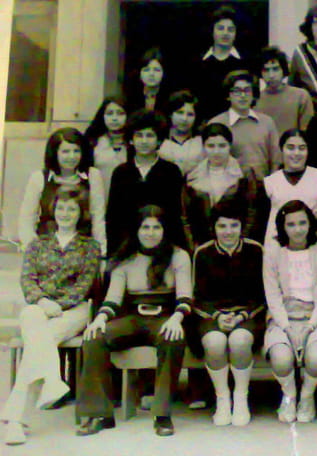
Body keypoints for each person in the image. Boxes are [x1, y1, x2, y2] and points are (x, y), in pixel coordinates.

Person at [76, 205, 191, 437]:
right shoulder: (125, 259)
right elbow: (113, 299)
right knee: (94, 337)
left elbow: (185, 297)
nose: (151, 233)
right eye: (145, 227)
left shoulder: (179, 256)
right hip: (134, 318)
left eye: (156, 227)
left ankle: (162, 415)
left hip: (165, 317)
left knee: (173, 339)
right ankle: (100, 414)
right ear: (137, 230)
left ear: (164, 230)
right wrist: (100, 319)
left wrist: (176, 319)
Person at [1, 189, 100, 446]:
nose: (65, 214)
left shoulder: (90, 246)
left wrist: (58, 306)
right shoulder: (37, 244)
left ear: (80, 214)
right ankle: (52, 383)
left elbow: (84, 286)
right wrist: (43, 302)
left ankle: (15, 419)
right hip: (40, 307)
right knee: (31, 317)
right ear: (53, 212)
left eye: (72, 209)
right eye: (61, 208)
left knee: (37, 340)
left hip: (75, 310)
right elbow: (27, 279)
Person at [191, 201, 265, 427]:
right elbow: (197, 297)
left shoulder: (255, 250)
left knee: (239, 341)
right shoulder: (203, 253)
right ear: (214, 228)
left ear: (242, 226)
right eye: (222, 226)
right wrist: (217, 316)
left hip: (248, 316)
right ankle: (222, 399)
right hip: (212, 316)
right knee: (215, 342)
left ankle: (241, 398)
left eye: (234, 225)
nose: (228, 231)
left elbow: (263, 295)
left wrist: (242, 315)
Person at [263, 200, 317, 423]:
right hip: (283, 316)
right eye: (291, 224)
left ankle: (307, 396)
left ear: (310, 224)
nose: (298, 229)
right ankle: (289, 395)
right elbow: (273, 295)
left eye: (302, 223)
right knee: (281, 358)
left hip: (314, 316)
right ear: (283, 227)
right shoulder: (274, 253)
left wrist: (311, 326)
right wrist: (286, 327)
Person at [107, 109, 186, 256]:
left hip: (163, 246)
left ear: (159, 140)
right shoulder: (121, 173)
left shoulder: (171, 171)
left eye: (150, 136)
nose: (144, 141)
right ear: (131, 140)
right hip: (127, 247)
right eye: (139, 135)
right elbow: (113, 217)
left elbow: (174, 216)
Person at [18, 127, 106, 256]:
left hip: (81, 248)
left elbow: (98, 216)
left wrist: (101, 250)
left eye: (76, 151)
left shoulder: (93, 175)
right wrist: (31, 248)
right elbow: (27, 217)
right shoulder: (39, 177)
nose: (72, 156)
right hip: (46, 248)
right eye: (65, 151)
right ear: (55, 153)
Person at [182, 123, 260, 251]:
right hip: (203, 245)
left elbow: (252, 212)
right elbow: (185, 217)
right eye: (211, 146)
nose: (216, 151)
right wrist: (193, 247)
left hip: (237, 244)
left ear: (230, 146)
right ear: (203, 147)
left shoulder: (244, 173)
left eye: (222, 146)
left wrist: (242, 244)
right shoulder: (192, 174)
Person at [208, 70, 282, 185]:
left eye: (247, 90)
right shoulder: (217, 123)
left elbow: (276, 159)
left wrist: (272, 185)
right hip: (228, 189)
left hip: (264, 187)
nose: (243, 96)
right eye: (237, 91)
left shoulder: (267, 122)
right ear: (228, 95)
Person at [262, 129, 317, 246]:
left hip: (315, 245)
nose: (296, 153)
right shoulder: (269, 182)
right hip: (277, 246)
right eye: (290, 148)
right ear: (282, 149)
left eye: (302, 148)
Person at [194, 5, 250, 121]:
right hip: (204, 124)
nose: (225, 33)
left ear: (236, 33)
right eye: (220, 28)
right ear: (212, 31)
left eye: (230, 29)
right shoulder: (198, 63)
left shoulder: (246, 63)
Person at [255, 46, 315, 135]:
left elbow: (307, 132)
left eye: (275, 69)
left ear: (283, 70)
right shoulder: (255, 100)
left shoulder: (301, 96)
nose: (271, 75)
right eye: (266, 70)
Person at [84, 96, 128, 199]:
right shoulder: (93, 143)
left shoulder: (135, 143)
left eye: (120, 113)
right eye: (109, 113)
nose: (114, 118)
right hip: (98, 199)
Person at [158, 90, 204, 176]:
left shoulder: (202, 141)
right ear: (170, 114)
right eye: (180, 113)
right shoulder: (159, 139)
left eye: (190, 114)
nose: (184, 119)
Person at [126, 47, 169, 114]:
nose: (151, 74)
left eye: (156, 70)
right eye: (146, 70)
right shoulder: (130, 98)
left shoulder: (169, 99)